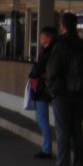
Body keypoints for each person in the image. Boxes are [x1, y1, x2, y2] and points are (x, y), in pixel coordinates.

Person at [45, 12, 83, 166]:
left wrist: (51, 88)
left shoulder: (60, 45)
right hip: (81, 93)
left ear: (62, 26)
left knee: (63, 131)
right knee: (78, 130)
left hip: (63, 94)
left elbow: (52, 70)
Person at [29, 26, 57, 158]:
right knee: (42, 118)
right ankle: (47, 147)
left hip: (43, 88)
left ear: (49, 38)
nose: (39, 38)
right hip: (46, 87)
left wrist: (33, 73)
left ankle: (46, 149)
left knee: (42, 119)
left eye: (42, 36)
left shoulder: (48, 52)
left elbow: (38, 69)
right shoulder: (49, 51)